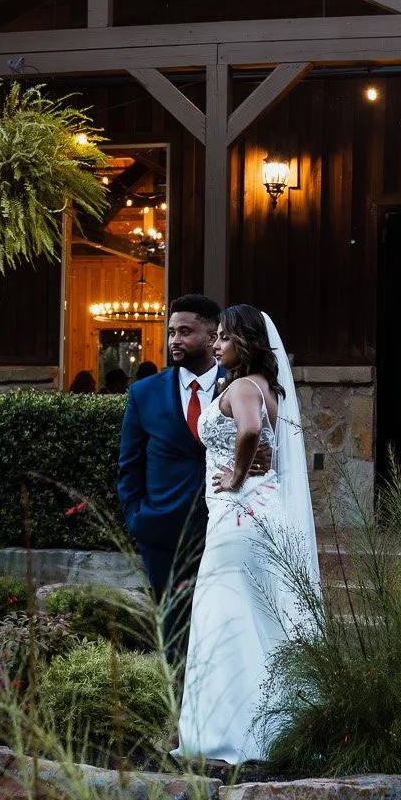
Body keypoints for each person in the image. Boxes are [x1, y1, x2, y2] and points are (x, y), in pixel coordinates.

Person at [176, 303, 319, 764]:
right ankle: (278, 726)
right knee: (263, 619)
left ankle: (226, 734)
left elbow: (251, 430)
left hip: (237, 515)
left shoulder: (240, 387)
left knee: (224, 615)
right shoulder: (267, 389)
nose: (216, 345)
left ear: (247, 342)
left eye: (223, 337)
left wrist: (236, 475)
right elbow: (269, 444)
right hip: (262, 514)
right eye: (214, 337)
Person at [117, 294, 225, 667]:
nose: (174, 340)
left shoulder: (241, 385)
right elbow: (128, 465)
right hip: (162, 531)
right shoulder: (144, 393)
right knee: (173, 627)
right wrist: (137, 517)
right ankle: (176, 709)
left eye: (185, 331)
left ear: (213, 337)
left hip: (223, 528)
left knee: (220, 622)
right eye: (171, 332)